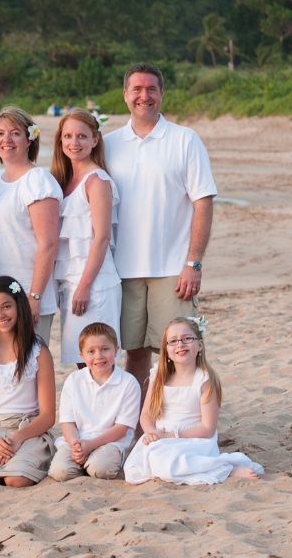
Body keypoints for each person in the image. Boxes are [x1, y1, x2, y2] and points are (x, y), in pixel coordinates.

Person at [106, 63, 216, 390]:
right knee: (134, 354)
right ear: (125, 95)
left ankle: (187, 423)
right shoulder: (108, 144)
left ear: (162, 94)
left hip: (173, 270)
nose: (144, 96)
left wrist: (193, 263)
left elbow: (203, 202)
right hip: (122, 271)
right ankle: (140, 429)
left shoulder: (185, 140)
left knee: (182, 354)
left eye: (151, 89)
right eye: (137, 89)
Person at [123, 318, 263, 484]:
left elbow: (208, 428)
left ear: (200, 345)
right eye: (173, 341)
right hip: (161, 438)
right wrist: (151, 432)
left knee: (167, 465)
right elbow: (146, 415)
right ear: (166, 350)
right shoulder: (159, 376)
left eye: (187, 338)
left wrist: (172, 435)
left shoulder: (204, 379)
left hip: (194, 439)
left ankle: (227, 468)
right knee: (133, 469)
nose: (180, 344)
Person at [0, 276, 57, 488]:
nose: (0, 315)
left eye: (6, 306)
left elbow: (48, 415)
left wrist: (17, 438)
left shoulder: (38, 351)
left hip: (27, 430)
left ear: (19, 307)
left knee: (16, 479)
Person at [51, 109, 122, 366]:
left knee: (98, 360)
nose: (74, 143)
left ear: (95, 140)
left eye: (82, 136)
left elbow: (102, 237)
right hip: (71, 283)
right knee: (82, 361)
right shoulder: (64, 180)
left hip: (95, 284)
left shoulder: (97, 181)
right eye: (68, 136)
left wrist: (84, 286)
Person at [0, 106, 62, 345]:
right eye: (0, 133)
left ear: (30, 139)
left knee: (29, 368)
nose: (6, 139)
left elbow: (49, 244)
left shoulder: (37, 181)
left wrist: (35, 296)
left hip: (28, 295)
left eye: (15, 133)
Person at [48, 323, 141, 481]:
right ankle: (82, 461)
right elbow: (67, 422)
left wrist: (91, 445)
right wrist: (75, 444)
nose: (99, 356)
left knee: (100, 469)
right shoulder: (74, 380)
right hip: (78, 438)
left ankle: (93, 463)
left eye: (105, 349)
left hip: (111, 441)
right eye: (91, 351)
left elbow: (122, 428)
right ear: (82, 356)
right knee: (60, 472)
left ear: (116, 350)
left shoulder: (128, 382)